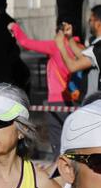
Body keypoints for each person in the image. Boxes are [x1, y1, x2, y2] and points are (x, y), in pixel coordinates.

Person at [11, 21, 84, 160]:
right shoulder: (81, 49)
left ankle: (61, 176)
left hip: (57, 102)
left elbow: (26, 42)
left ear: (59, 33)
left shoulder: (55, 46)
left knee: (58, 143)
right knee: (74, 142)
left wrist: (14, 27)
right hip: (77, 102)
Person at [56, 5, 101, 99]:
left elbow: (72, 66)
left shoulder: (100, 48)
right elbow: (83, 55)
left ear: (98, 24)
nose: (89, 23)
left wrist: (61, 46)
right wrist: (69, 38)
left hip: (98, 104)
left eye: (91, 20)